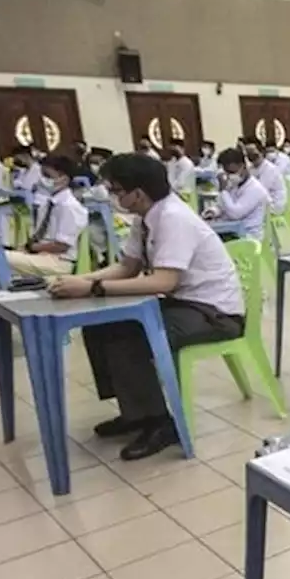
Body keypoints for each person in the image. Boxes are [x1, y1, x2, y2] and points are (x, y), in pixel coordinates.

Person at [50, 153, 245, 460]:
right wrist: (79, 281)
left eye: (116, 190)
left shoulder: (173, 218)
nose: (112, 195)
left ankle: (160, 423)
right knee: (100, 324)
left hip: (213, 312)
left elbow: (163, 282)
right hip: (182, 303)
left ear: (137, 193)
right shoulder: (146, 218)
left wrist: (93, 287)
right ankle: (136, 412)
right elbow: (127, 267)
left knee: (132, 335)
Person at [0, 155, 89, 350]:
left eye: (47, 175)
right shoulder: (50, 203)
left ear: (63, 178)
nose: (42, 179)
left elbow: (61, 245)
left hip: (57, 261)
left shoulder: (70, 207)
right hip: (39, 256)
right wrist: (25, 248)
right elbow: (39, 235)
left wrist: (32, 249)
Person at [204, 148, 269, 241]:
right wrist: (214, 211)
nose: (229, 176)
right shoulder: (234, 185)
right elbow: (223, 206)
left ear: (243, 166)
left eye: (232, 172)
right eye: (226, 172)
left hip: (248, 237)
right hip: (233, 231)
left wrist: (223, 190)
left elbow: (235, 214)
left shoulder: (255, 189)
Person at [245, 140, 286, 215]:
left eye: (253, 153)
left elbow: (262, 190)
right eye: (248, 154)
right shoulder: (251, 169)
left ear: (261, 152)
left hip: (273, 203)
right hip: (261, 202)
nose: (251, 156)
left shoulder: (271, 169)